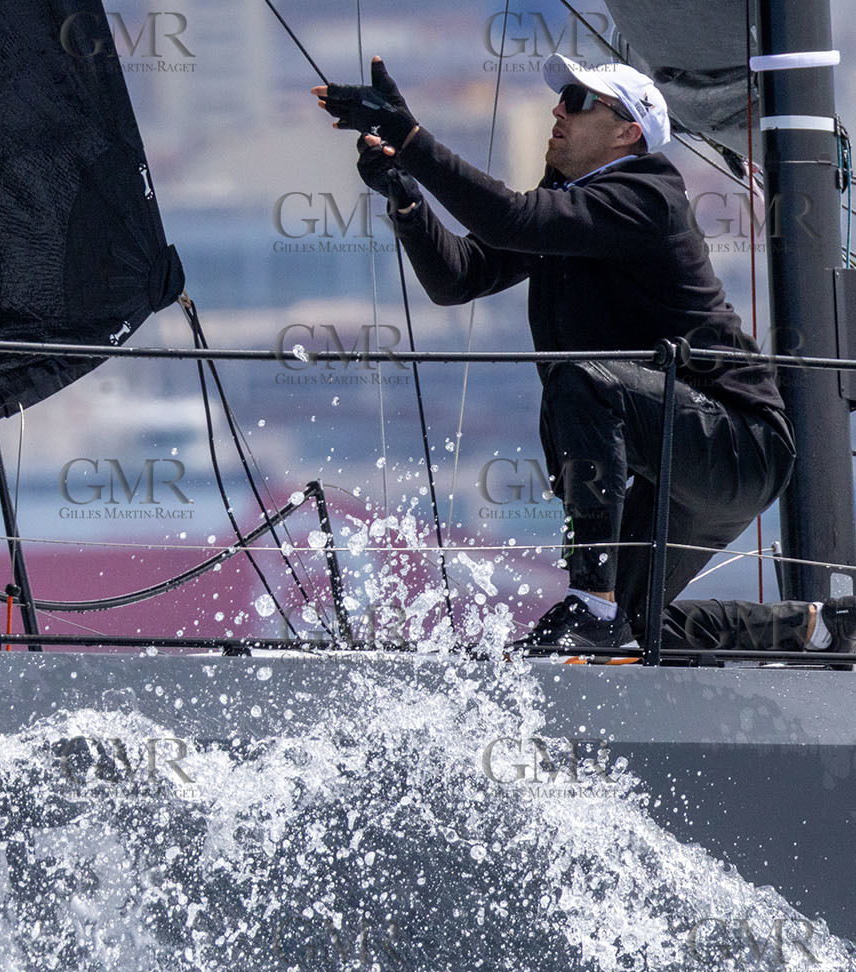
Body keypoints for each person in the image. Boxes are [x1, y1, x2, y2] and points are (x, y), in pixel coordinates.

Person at [311, 53, 841, 658]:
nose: (559, 109)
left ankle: (590, 599)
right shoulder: (571, 203)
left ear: (628, 131)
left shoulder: (647, 195)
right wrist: (405, 200)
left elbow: (509, 219)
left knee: (581, 380)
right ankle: (812, 628)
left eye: (580, 101)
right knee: (636, 633)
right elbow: (459, 278)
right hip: (672, 460)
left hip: (738, 444)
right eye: (562, 97)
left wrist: (409, 138)